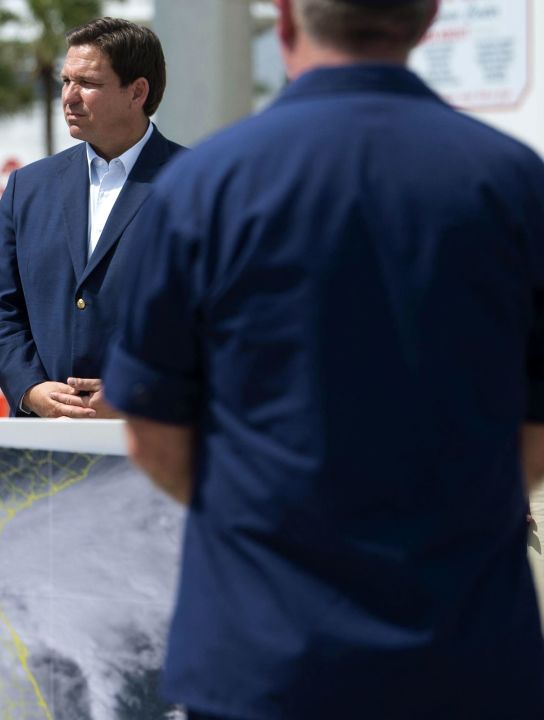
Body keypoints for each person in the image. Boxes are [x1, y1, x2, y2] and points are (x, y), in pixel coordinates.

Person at [100, 0, 544, 717]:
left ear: (283, 20)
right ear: (427, 19)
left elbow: (152, 435)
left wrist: (279, 516)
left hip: (262, 660)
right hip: (464, 659)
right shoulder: (516, 184)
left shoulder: (204, 185)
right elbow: (532, 438)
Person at [0, 17, 184, 419]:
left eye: (87, 84)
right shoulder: (27, 187)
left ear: (137, 92)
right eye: (65, 81)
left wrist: (142, 392)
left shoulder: (196, 185)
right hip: (41, 446)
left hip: (152, 441)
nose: (69, 97)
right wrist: (30, 388)